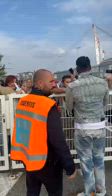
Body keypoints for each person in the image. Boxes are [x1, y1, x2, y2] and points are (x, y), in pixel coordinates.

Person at [11, 69, 76, 196]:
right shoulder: (48, 105)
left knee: (32, 191)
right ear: (40, 84)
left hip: (29, 159)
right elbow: (58, 140)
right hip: (48, 162)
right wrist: (69, 166)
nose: (54, 84)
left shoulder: (23, 102)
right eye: (51, 81)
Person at [66, 56, 109, 196]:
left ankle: (89, 192)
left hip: (83, 128)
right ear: (90, 67)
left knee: (86, 162)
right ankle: (101, 191)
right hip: (100, 126)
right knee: (99, 159)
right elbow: (105, 103)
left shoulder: (72, 86)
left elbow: (69, 108)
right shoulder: (102, 83)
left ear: (77, 69)